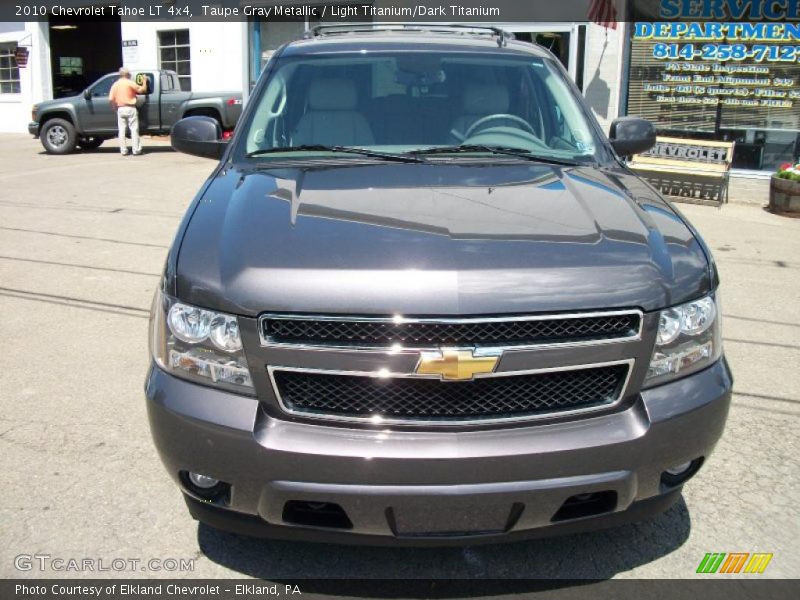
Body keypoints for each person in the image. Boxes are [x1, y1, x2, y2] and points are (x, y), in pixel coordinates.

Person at [108, 67, 147, 156]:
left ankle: (123, 151)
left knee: (121, 130)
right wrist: (144, 81)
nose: (130, 75)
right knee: (134, 129)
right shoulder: (130, 83)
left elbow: (110, 99)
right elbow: (142, 90)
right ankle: (136, 150)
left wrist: (114, 108)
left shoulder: (115, 84)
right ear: (127, 74)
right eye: (129, 74)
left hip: (120, 109)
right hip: (130, 108)